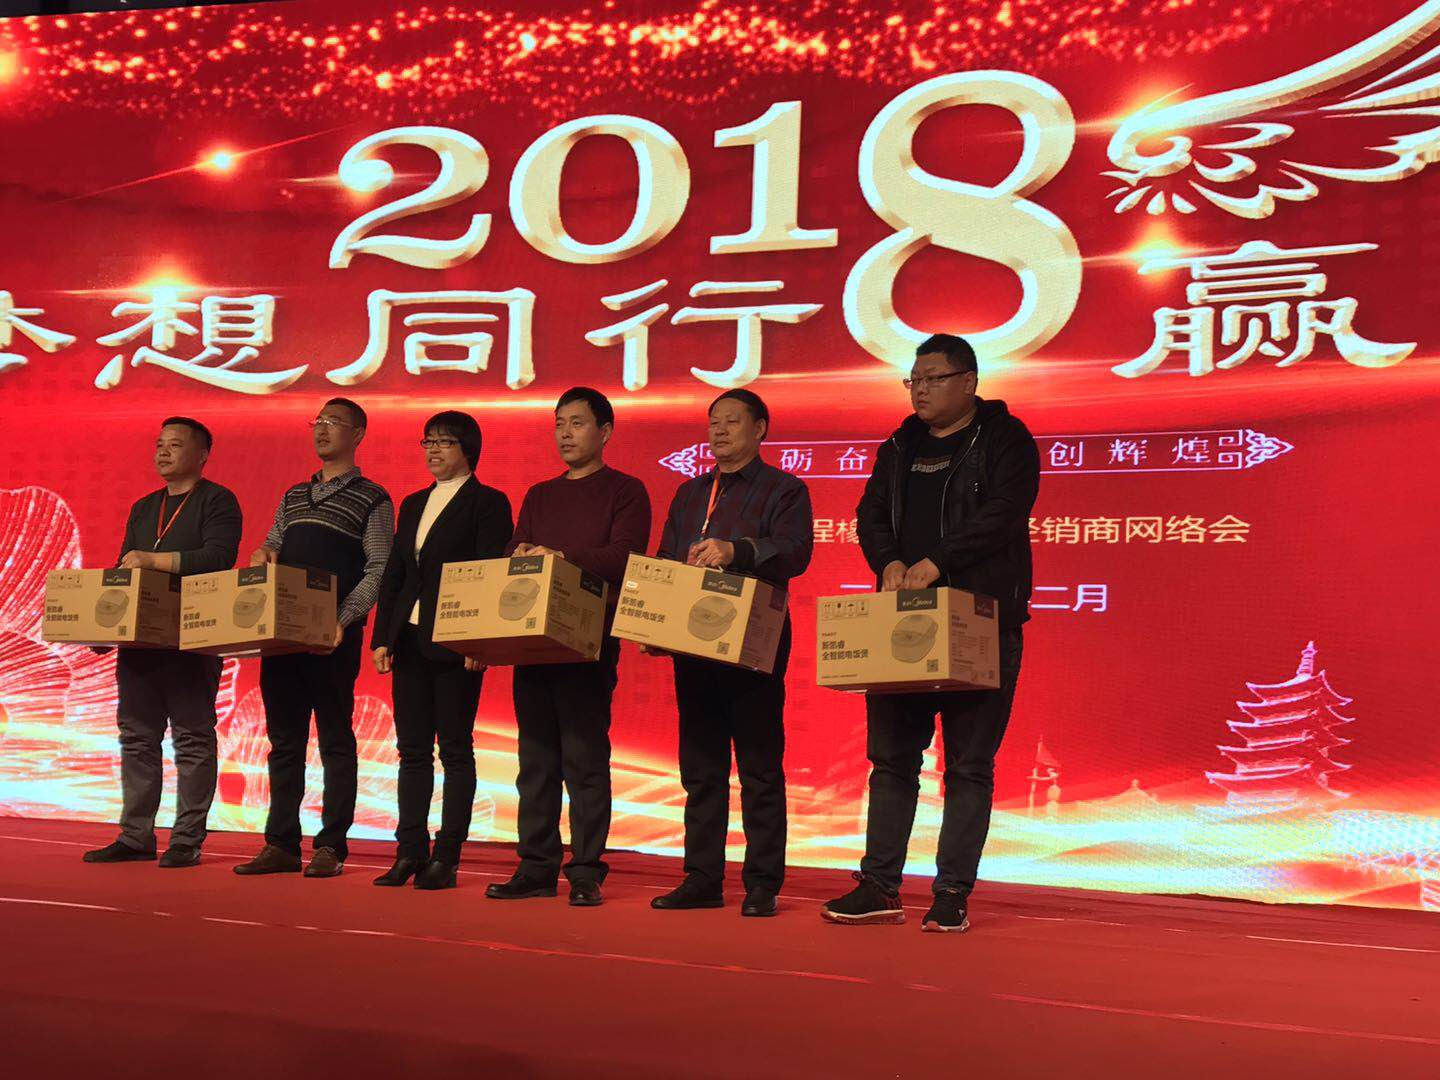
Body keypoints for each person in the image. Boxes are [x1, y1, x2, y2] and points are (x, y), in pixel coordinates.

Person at [821, 333, 1038, 933]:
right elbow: (870, 513)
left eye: (933, 379)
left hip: (979, 620)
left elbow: (1003, 513)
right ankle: (879, 886)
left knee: (968, 764)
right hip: (903, 621)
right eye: (913, 380)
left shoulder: (1005, 438)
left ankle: (951, 892)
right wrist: (888, 561)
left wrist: (938, 562)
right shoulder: (899, 444)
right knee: (891, 761)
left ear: (968, 382)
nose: (919, 390)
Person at [648, 389, 813, 918]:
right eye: (713, 422)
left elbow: (795, 553)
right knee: (701, 766)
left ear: (760, 429)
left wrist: (734, 550)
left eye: (731, 422)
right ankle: (702, 878)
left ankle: (762, 883)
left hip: (752, 640)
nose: (718, 431)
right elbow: (665, 558)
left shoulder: (784, 489)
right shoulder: (689, 493)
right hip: (693, 641)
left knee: (759, 766)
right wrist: (651, 617)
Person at [486, 387, 651, 907]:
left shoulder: (626, 490)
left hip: (587, 638)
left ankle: (585, 869)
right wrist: (524, 553)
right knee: (535, 759)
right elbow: (513, 549)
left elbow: (625, 556)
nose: (564, 433)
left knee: (584, 758)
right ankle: (536, 866)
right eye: (559, 423)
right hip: (534, 639)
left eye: (577, 423)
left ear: (605, 432)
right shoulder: (540, 494)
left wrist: (560, 556)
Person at [233, 398, 394, 879]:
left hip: (333, 639)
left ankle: (331, 846)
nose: (322, 430)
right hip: (283, 638)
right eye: (317, 422)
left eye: (334, 423)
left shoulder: (373, 498)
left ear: (358, 433)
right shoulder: (294, 495)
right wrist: (263, 554)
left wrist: (343, 619)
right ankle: (280, 843)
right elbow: (273, 543)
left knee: (335, 740)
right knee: (283, 741)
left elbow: (379, 568)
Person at [82, 417, 242, 868]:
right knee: (137, 738)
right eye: (159, 444)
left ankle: (186, 839)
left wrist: (152, 560)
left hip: (192, 636)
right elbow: (125, 569)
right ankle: (135, 835)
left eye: (175, 444)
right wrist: (104, 628)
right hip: (140, 644)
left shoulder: (217, 500)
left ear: (202, 455)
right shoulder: (144, 506)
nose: (163, 452)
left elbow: (218, 557)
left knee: (192, 739)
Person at [370, 412, 512, 890]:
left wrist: (479, 640)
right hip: (409, 639)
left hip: (456, 640)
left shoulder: (488, 503)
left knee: (454, 748)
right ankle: (409, 851)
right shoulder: (414, 502)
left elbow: (490, 573)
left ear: (468, 450)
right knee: (411, 751)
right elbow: (395, 574)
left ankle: (447, 856)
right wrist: (383, 637)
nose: (433, 450)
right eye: (428, 441)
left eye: (445, 442)